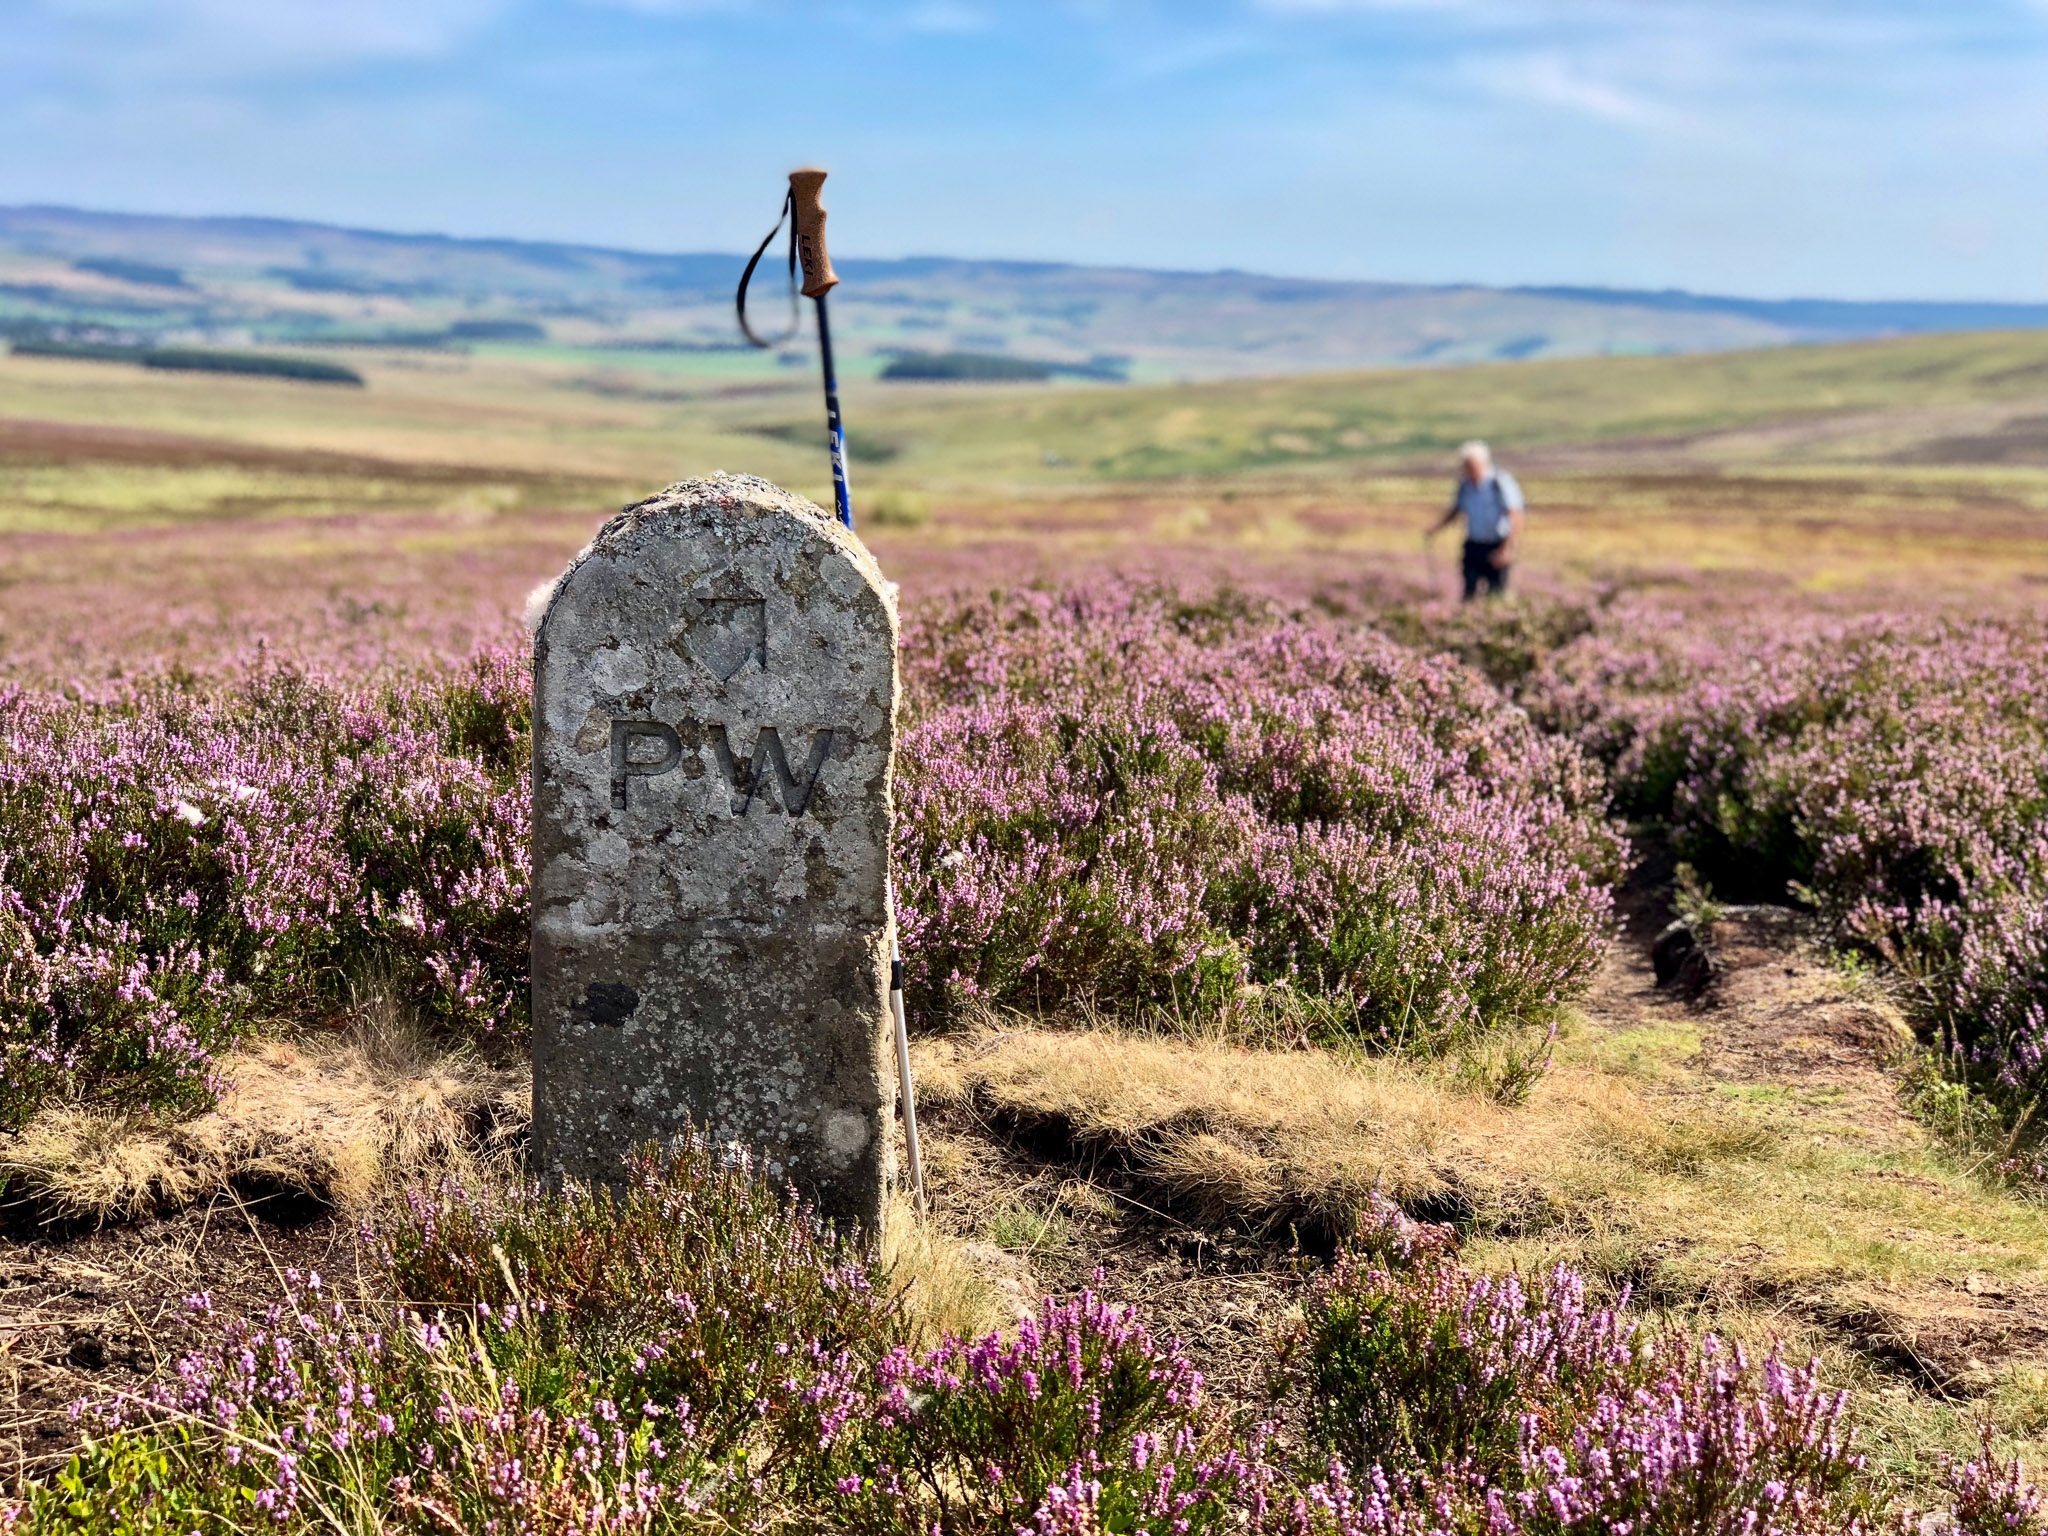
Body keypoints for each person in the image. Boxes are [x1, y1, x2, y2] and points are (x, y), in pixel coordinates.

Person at [1425, 441, 1524, 600]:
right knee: (1468, 592)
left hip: (1497, 545)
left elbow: (1516, 515)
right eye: (1465, 466)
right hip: (1473, 545)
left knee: (1496, 594)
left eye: (1470, 466)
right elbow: (1456, 510)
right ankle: (1469, 620)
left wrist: (1507, 548)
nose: (1467, 470)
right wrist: (1436, 528)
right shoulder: (1465, 485)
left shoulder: (1500, 483)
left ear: (1483, 463)